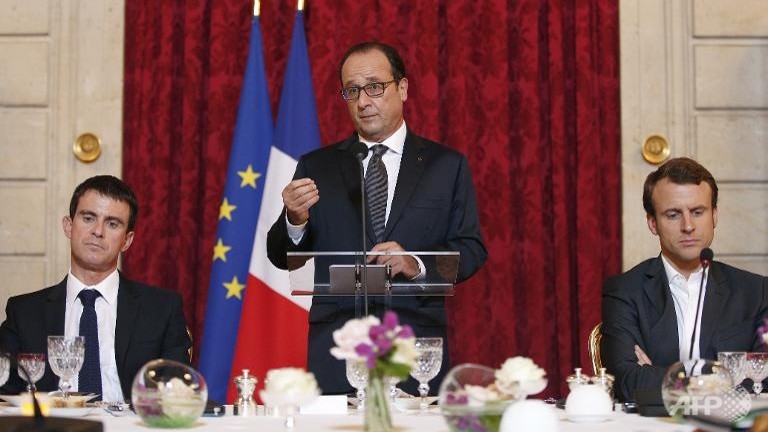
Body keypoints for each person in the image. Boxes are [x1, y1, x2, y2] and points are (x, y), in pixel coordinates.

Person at [267, 41, 487, 394]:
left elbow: (472, 250)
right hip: (337, 350)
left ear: (403, 88)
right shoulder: (317, 166)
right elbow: (281, 256)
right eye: (352, 90)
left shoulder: (446, 166)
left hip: (414, 348)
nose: (363, 101)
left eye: (374, 87)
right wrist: (295, 220)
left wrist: (415, 263)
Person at [0, 175, 192, 402]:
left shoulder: (162, 309)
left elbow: (177, 393)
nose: (98, 231)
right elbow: (6, 392)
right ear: (68, 226)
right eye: (88, 218)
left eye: (112, 223)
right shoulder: (24, 312)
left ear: (127, 240)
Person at [601, 157, 768, 402]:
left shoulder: (757, 291)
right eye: (673, 215)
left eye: (697, 212)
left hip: (731, 421)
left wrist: (660, 376)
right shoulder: (624, 291)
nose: (688, 226)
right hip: (655, 422)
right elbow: (626, 381)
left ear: (714, 215)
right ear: (652, 223)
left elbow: (762, 381)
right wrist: (723, 381)